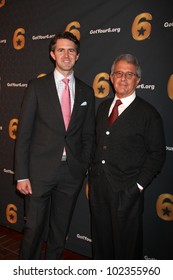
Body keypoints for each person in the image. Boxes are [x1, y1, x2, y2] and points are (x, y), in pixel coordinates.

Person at [15, 31, 95, 259]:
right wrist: (21, 175)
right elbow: (24, 135)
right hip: (38, 174)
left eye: (71, 50)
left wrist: (82, 166)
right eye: (61, 49)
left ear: (77, 56)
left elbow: (88, 135)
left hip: (71, 174)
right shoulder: (36, 87)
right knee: (33, 230)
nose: (66, 54)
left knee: (60, 233)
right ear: (52, 54)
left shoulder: (86, 91)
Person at [89, 53, 166, 260]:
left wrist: (137, 187)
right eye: (119, 73)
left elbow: (157, 154)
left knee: (126, 250)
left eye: (129, 74)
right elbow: (97, 146)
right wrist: (92, 180)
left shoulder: (148, 114)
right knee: (101, 245)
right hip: (99, 190)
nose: (123, 79)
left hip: (127, 191)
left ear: (138, 80)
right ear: (111, 77)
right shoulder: (103, 107)